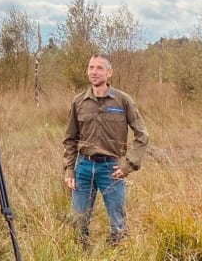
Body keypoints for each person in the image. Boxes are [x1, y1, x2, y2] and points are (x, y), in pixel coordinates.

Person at [63, 53, 149, 248]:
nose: (94, 72)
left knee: (118, 224)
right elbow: (70, 139)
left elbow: (142, 135)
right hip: (83, 168)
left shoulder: (123, 101)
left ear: (109, 72)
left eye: (99, 68)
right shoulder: (79, 102)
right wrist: (69, 170)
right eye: (91, 67)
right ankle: (81, 260)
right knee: (78, 221)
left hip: (112, 169)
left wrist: (128, 165)